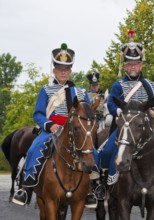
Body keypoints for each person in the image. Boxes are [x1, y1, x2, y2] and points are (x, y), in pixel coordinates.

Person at [12, 43, 99, 208]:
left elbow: (89, 114)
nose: (63, 71)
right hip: (52, 128)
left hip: (76, 130)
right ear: (54, 70)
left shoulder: (81, 92)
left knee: (92, 152)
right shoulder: (46, 90)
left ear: (71, 70)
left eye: (66, 68)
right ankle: (26, 188)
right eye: (60, 68)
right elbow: (38, 114)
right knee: (33, 150)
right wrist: (49, 124)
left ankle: (92, 188)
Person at [97, 30, 154, 199]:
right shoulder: (118, 85)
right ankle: (103, 185)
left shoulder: (150, 85)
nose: (133, 67)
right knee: (106, 153)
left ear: (141, 65)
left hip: (147, 129)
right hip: (125, 129)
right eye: (129, 64)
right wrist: (120, 111)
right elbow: (111, 103)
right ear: (125, 66)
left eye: (136, 63)